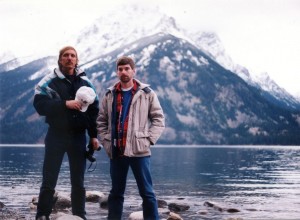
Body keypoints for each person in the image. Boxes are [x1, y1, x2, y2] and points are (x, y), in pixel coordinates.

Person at [33, 46, 100, 220]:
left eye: (72, 56)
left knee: (78, 181)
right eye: (65, 56)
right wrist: (65, 104)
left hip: (78, 137)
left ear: (77, 60)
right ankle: (42, 215)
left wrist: (93, 136)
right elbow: (40, 106)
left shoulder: (86, 83)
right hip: (56, 135)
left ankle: (79, 215)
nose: (69, 58)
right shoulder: (49, 81)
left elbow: (93, 112)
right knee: (49, 179)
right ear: (60, 59)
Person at [97, 56, 165, 220]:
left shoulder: (147, 93)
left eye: (127, 68)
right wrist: (107, 142)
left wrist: (148, 140)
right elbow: (101, 121)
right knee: (116, 192)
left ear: (134, 71)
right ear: (117, 72)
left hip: (139, 151)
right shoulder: (109, 94)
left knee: (147, 192)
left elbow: (158, 119)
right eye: (120, 69)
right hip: (117, 150)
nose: (123, 72)